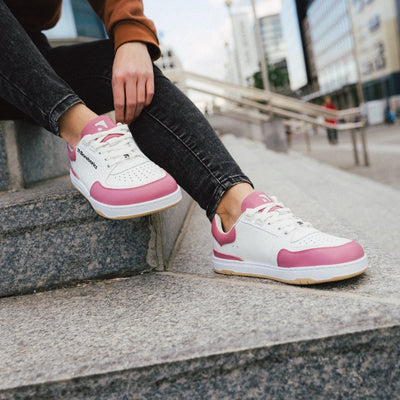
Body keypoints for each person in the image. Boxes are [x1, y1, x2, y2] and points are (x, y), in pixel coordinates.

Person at [0, 0, 367, 284]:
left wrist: (130, 35)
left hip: (28, 53)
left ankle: (237, 213)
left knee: (120, 65)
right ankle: (82, 134)